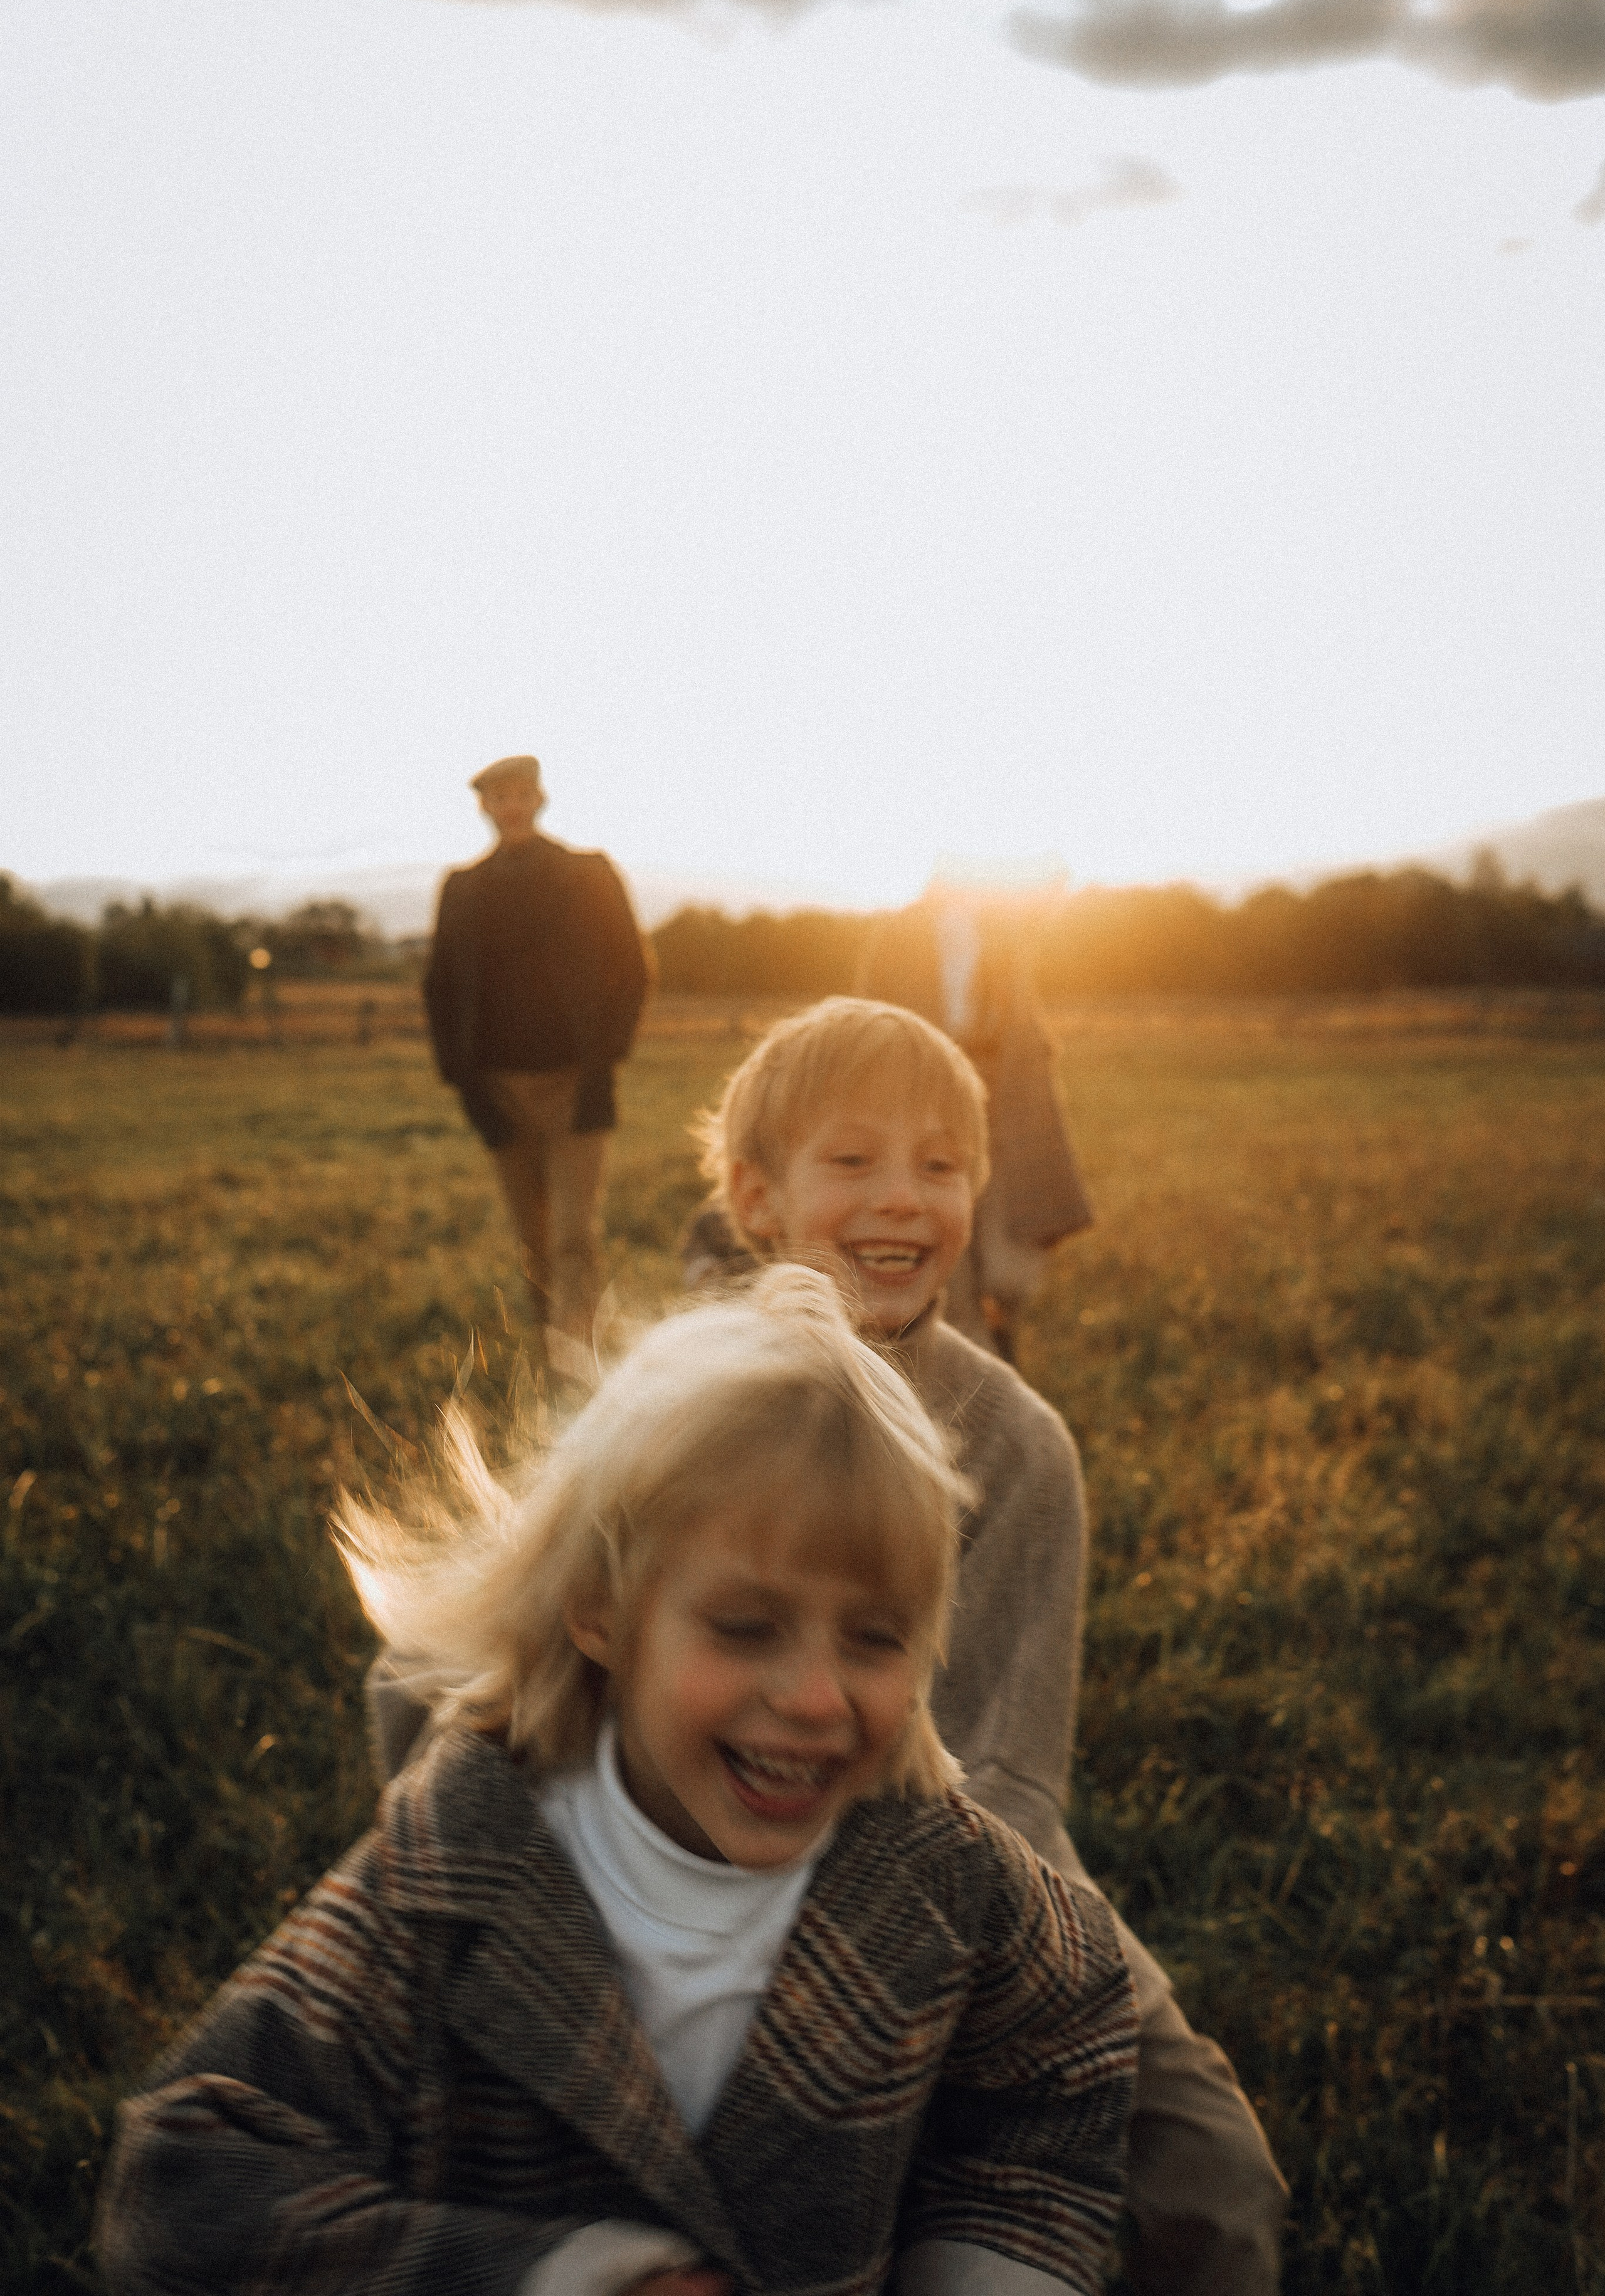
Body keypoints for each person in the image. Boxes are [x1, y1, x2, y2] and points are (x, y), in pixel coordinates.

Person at [96, 1269, 1138, 2296]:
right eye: (746, 1627)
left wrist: (987, 2267)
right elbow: (184, 2186)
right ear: (601, 1611)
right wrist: (552, 2276)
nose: (818, 1697)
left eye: (875, 1640)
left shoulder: (938, 1871)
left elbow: (1065, 2044)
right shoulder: (450, 1890)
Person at [689, 1000, 1288, 2296]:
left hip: (995, 1895)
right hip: (718, 1890)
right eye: (849, 1162)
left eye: (941, 1165)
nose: (900, 1200)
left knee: (1214, 2182)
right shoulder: (673, 1419)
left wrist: (900, 1971)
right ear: (756, 1198)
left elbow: (1013, 1784)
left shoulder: (1016, 1445)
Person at [425, 755, 651, 1346]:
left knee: (573, 1234)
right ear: (486, 808)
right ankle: (552, 1349)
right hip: (497, 1085)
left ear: (539, 799)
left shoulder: (589, 874)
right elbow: (440, 988)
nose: (513, 806)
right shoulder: (463, 889)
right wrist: (465, 1082)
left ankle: (577, 1358)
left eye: (522, 793)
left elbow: (632, 967)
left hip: (576, 1081)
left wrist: (607, 1059)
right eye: (500, 796)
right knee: (533, 1234)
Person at [855, 886, 1092, 1363]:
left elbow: (1024, 1016)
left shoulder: (1003, 930)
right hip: (924, 1098)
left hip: (1001, 1101)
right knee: (941, 1236)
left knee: (1007, 1249)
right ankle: (955, 1355)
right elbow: (870, 1018)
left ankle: (998, 1343)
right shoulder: (898, 933)